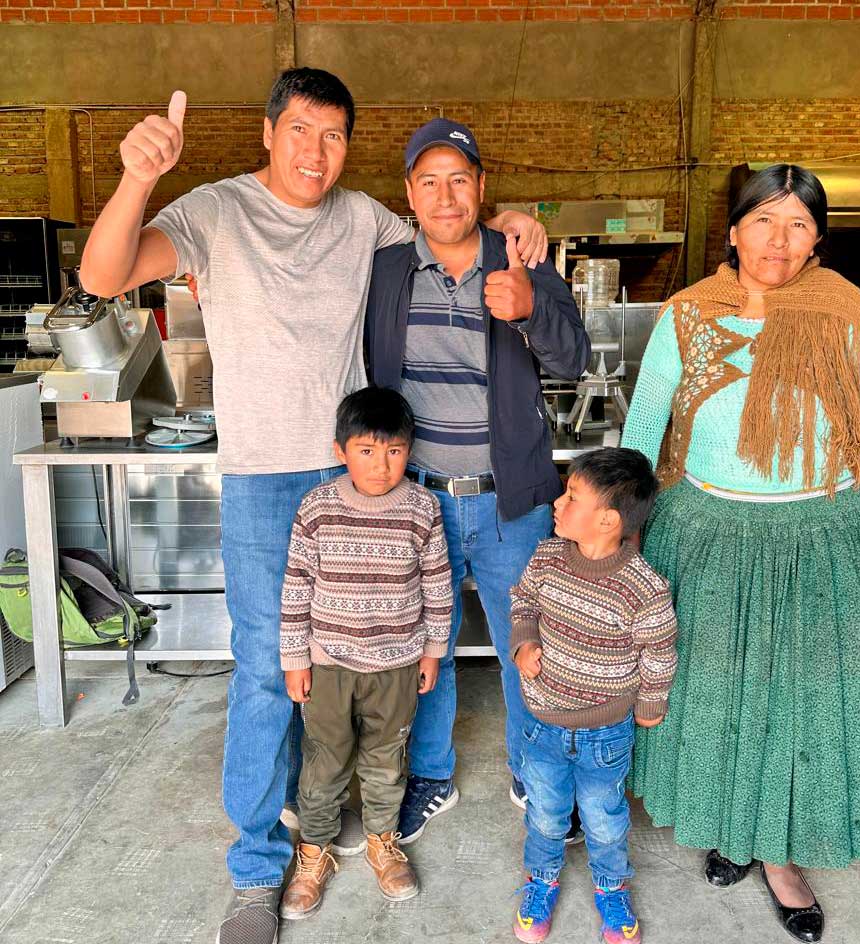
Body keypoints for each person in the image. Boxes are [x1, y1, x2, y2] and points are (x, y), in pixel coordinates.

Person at [77, 69, 545, 944]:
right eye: (300, 130)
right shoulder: (215, 211)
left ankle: (335, 818)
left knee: (364, 656)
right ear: (268, 132)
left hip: (358, 478)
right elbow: (104, 275)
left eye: (333, 137)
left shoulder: (364, 218)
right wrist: (139, 176)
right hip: (262, 481)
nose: (315, 152)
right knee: (266, 668)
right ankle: (259, 867)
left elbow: (448, 226)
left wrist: (515, 223)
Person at [622, 163, 860, 943]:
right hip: (711, 538)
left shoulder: (844, 311)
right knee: (719, 697)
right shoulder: (689, 315)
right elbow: (646, 423)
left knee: (801, 708)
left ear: (817, 240)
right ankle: (733, 829)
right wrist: (624, 525)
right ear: (733, 231)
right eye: (764, 219)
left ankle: (783, 858)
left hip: (820, 539)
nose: (779, 238)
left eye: (798, 224)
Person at [364, 117, 591, 843]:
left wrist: (530, 311)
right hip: (416, 497)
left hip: (509, 503)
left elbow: (573, 360)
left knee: (529, 646)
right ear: (409, 193)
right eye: (429, 181)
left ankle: (534, 773)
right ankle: (431, 775)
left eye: (459, 179)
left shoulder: (522, 258)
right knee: (422, 646)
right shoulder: (387, 271)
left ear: (481, 187)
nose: (445, 195)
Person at [278, 386, 452, 920]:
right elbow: (296, 586)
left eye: (395, 451)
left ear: (410, 450)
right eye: (367, 451)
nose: (382, 465)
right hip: (329, 663)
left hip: (397, 664)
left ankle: (382, 841)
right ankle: (314, 853)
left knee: (386, 759)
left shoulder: (422, 508)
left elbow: (437, 586)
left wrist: (432, 652)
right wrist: (295, 659)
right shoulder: (318, 507)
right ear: (341, 451)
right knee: (324, 761)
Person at [508, 448, 677, 944]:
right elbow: (523, 601)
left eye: (572, 496)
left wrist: (651, 702)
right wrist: (523, 642)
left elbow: (659, 648)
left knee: (605, 819)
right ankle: (540, 881)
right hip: (543, 724)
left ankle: (610, 887)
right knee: (545, 813)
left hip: (606, 733)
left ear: (607, 520)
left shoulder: (644, 588)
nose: (558, 504)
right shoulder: (546, 558)